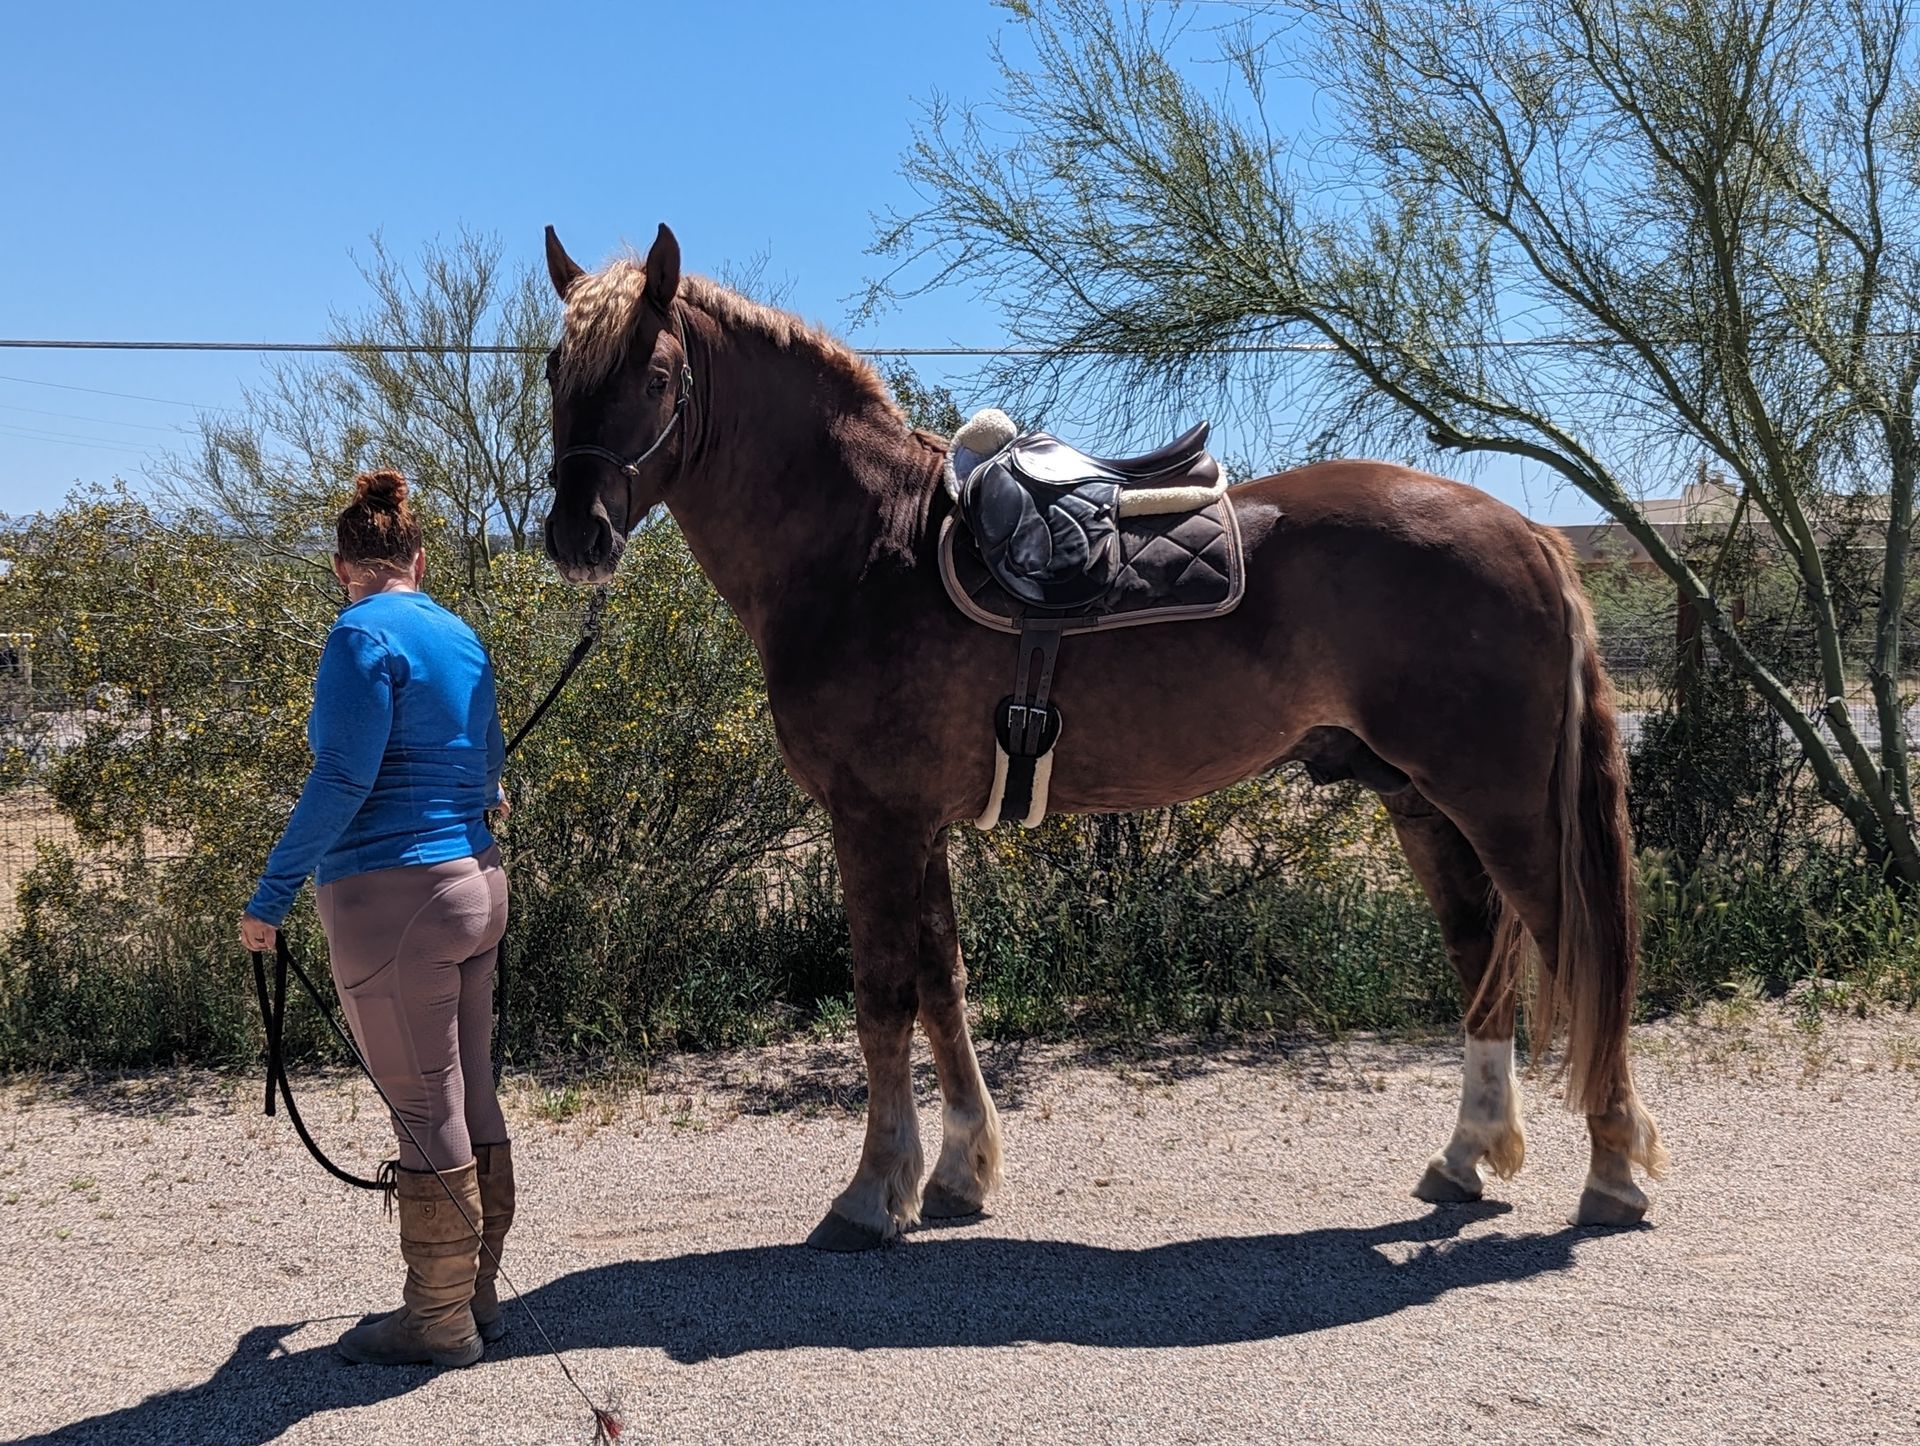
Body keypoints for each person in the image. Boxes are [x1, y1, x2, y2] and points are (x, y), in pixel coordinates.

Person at [239, 470, 516, 1368]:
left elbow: (344, 777)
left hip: (392, 901)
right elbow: (489, 774)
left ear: (341, 567)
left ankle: (436, 1325)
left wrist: (271, 895)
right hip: (478, 887)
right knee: (470, 1086)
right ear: (418, 559)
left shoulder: (356, 633)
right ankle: (475, 1298)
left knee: (422, 1103)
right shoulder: (460, 634)